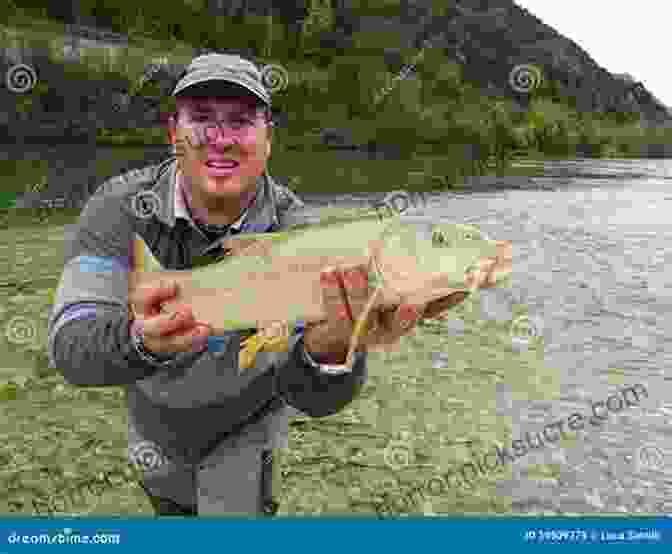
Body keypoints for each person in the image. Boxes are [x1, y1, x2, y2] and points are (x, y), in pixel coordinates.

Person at [47, 52, 465, 516]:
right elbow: (71, 348)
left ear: (268, 139)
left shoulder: (304, 232)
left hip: (248, 428)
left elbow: (314, 398)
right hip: (155, 428)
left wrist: (330, 351)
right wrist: (139, 342)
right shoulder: (120, 207)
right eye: (201, 119)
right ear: (173, 133)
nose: (220, 139)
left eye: (242, 121)